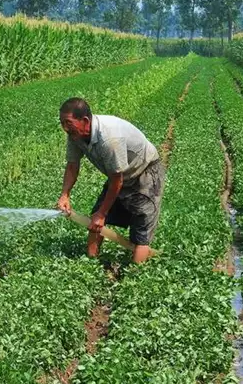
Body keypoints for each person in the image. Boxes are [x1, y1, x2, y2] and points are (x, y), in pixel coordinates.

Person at [56, 97, 165, 264]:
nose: (64, 128)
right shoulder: (75, 135)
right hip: (120, 174)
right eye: (62, 122)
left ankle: (136, 279)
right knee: (96, 221)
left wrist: (102, 213)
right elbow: (72, 165)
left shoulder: (109, 139)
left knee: (141, 230)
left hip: (144, 172)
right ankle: (91, 263)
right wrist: (65, 195)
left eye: (68, 123)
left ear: (85, 121)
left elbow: (116, 180)